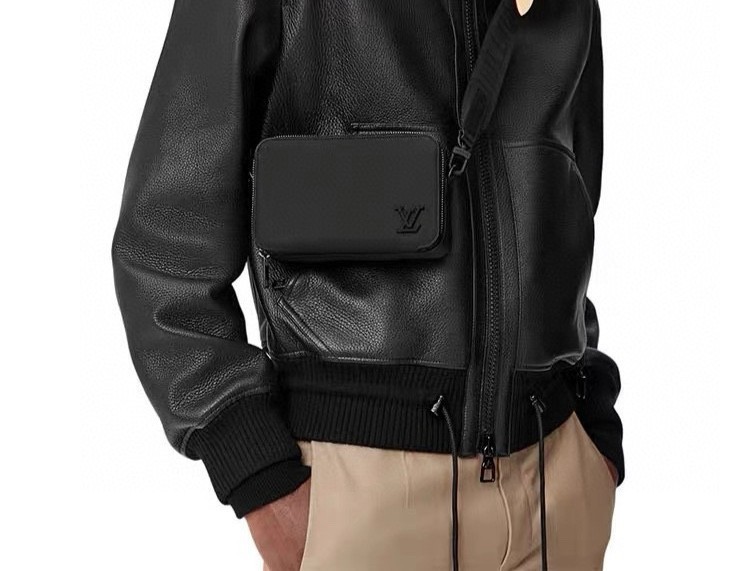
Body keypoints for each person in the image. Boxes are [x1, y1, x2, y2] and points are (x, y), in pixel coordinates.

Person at [112, 0, 624, 569]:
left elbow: (567, 217)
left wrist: (593, 425)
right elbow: (164, 247)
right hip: (360, 488)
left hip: (555, 480)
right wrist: (257, 473)